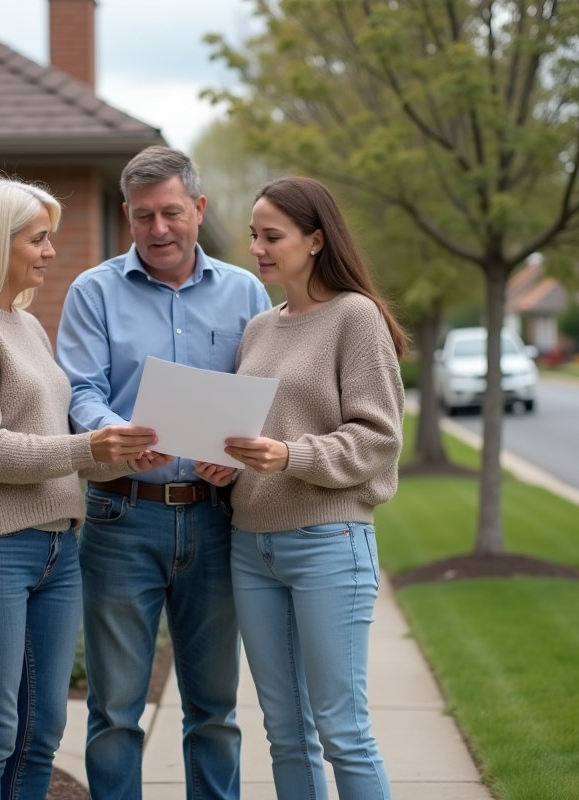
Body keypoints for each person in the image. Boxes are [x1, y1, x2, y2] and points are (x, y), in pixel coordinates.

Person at [0, 176, 167, 800]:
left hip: (59, 549)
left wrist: (118, 457)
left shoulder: (25, 325)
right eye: (38, 238)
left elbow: (46, 440)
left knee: (43, 731)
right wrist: (87, 448)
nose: (51, 250)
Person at [56, 146, 272, 800]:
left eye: (172, 213)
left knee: (214, 709)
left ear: (198, 209)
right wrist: (110, 437)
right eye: (144, 215)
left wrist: (235, 452)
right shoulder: (92, 291)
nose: (159, 229)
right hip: (121, 516)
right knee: (116, 709)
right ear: (127, 214)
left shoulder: (246, 292)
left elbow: (263, 391)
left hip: (215, 516)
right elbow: (80, 390)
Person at [197, 176, 406, 800]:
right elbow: (257, 434)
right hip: (251, 546)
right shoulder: (260, 328)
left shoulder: (354, 316)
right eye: (254, 236)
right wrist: (228, 463)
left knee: (342, 730)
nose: (258, 248)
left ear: (316, 240)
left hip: (328, 542)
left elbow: (378, 439)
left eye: (273, 236)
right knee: (284, 731)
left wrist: (288, 455)